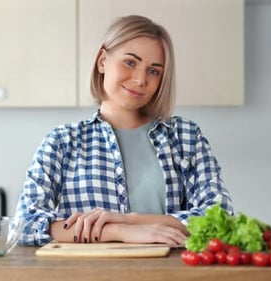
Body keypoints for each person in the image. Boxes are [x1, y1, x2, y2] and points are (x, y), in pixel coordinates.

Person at [13, 15, 233, 246]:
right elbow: (24, 225)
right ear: (102, 61)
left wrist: (132, 220)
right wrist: (119, 231)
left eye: (154, 71)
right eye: (130, 62)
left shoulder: (185, 137)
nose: (140, 80)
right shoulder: (62, 142)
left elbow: (221, 218)